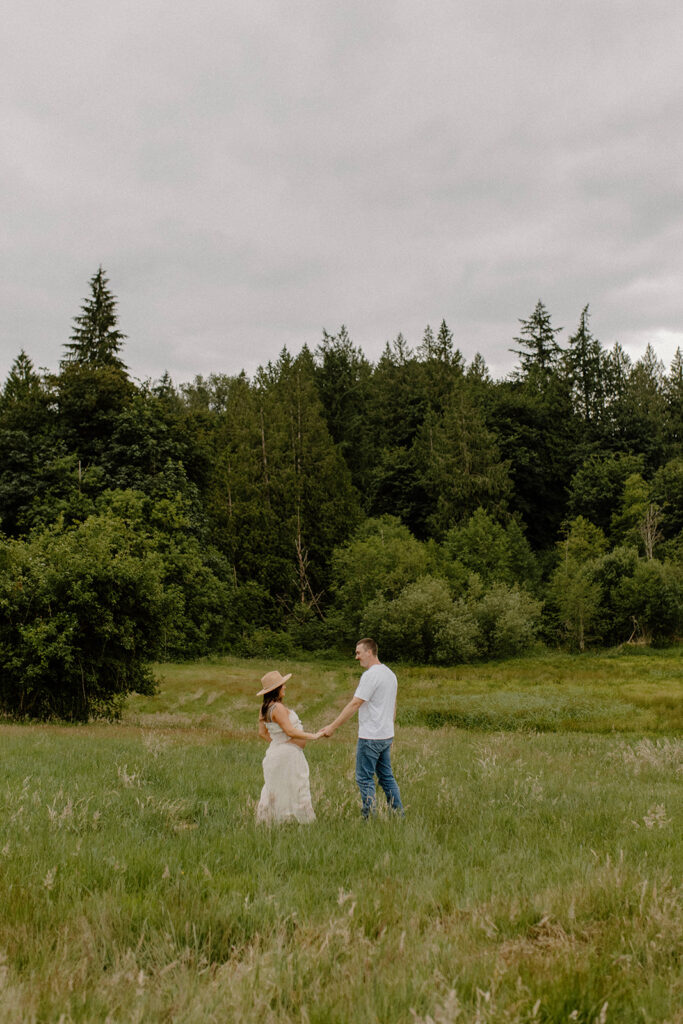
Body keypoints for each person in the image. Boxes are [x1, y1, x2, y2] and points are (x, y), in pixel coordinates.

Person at [321, 638, 403, 818]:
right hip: (385, 736)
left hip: (371, 737)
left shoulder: (371, 675)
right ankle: (398, 815)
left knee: (364, 779)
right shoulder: (390, 674)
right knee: (386, 778)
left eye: (358, 653)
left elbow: (355, 703)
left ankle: (369, 819)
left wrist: (332, 727)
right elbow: (393, 706)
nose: (356, 657)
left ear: (369, 652)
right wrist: (390, 733)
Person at [255, 669, 320, 824]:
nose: (285, 688)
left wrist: (278, 742)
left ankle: (277, 821)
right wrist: (314, 736)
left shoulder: (264, 707)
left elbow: (262, 733)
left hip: (276, 753)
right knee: (296, 787)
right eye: (283, 685)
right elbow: (290, 731)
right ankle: (302, 822)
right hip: (288, 756)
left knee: (278, 787)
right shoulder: (277, 708)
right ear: (276, 689)